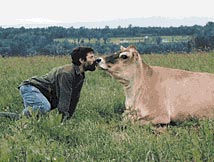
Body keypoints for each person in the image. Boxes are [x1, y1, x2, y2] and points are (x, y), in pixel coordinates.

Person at [18, 46, 97, 121]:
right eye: (91, 57)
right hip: (30, 88)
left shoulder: (80, 75)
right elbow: (64, 98)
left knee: (36, 118)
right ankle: (19, 118)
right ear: (81, 60)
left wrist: (67, 119)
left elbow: (74, 98)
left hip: (42, 93)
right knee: (43, 108)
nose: (95, 60)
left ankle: (16, 117)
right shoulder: (66, 73)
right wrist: (62, 121)